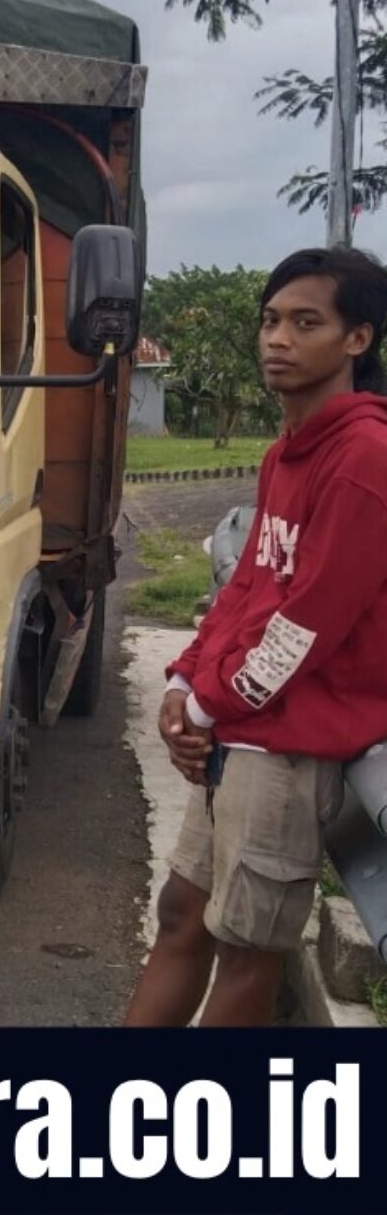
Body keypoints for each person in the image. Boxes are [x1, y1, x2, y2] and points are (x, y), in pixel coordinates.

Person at [125, 246, 387, 1027]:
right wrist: (181, 684)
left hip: (291, 748)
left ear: (357, 341)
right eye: (271, 320)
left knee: (246, 953)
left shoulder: (365, 460)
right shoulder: (285, 454)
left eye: (306, 323)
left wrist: (203, 711)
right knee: (181, 912)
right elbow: (247, 586)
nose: (278, 338)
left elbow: (305, 624)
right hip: (238, 733)